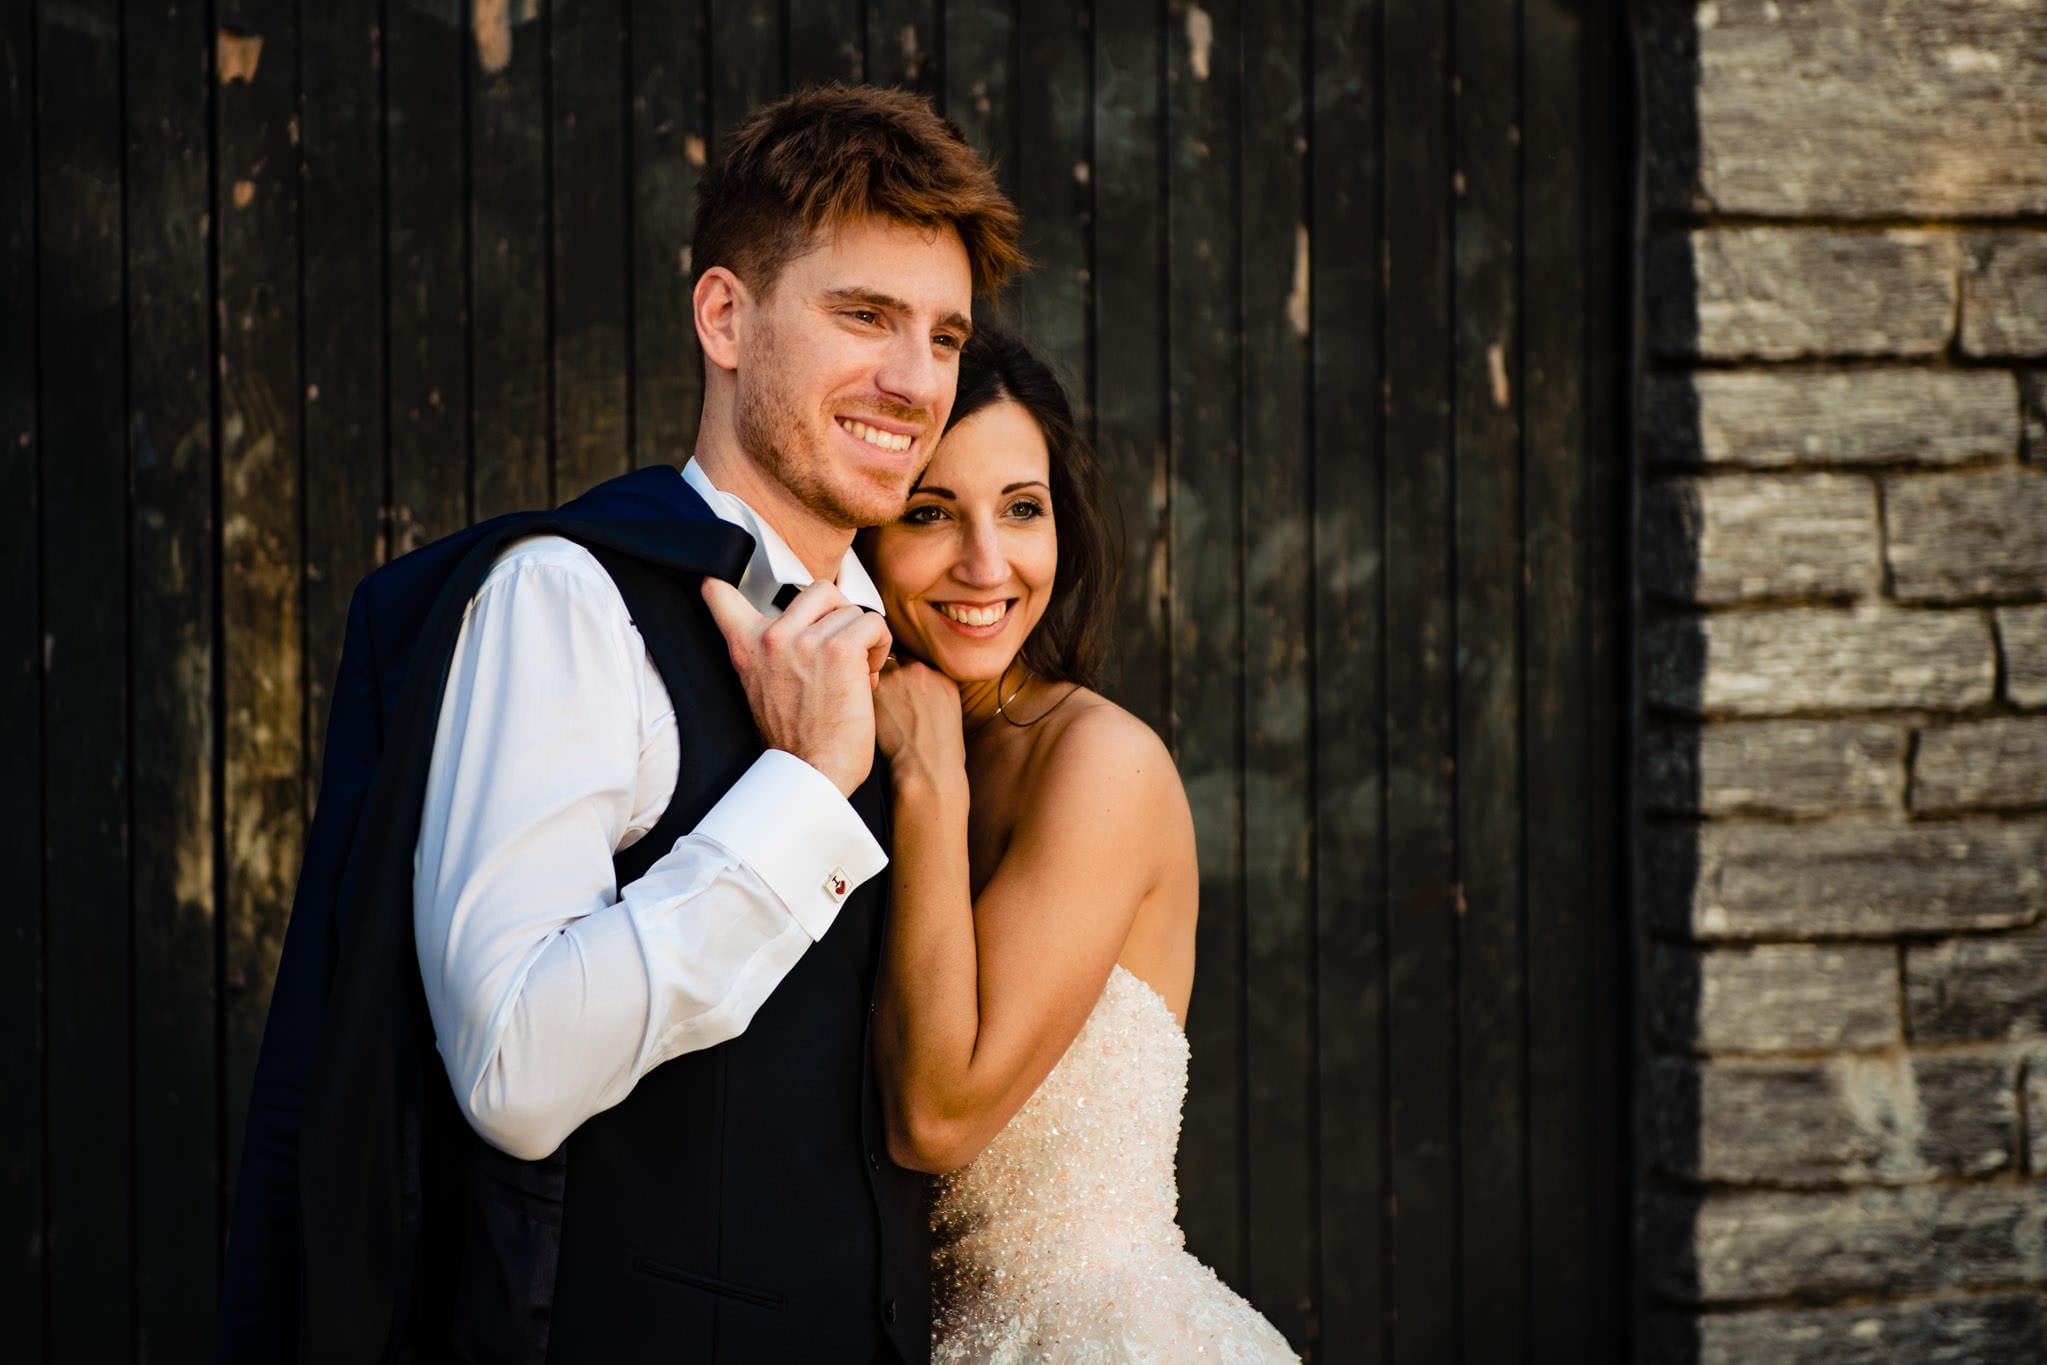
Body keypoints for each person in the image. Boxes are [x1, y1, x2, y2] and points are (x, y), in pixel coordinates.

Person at [216, 84, 1022, 1364]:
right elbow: (515, 1070)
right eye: (863, 316)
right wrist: (806, 794)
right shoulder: (567, 601)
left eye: (943, 334)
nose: (914, 379)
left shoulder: (908, 656)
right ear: (725, 316)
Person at [850, 329, 1300, 1361]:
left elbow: (935, 1116)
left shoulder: (1099, 764)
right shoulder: (853, 741)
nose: (985, 563)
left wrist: (928, 780)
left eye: (1021, 509)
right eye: (930, 512)